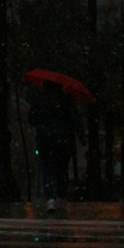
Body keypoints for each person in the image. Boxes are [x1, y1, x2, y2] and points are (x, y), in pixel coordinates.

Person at [27, 81, 85, 216]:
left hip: (45, 139)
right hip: (64, 140)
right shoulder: (67, 99)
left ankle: (50, 198)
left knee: (47, 168)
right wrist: (81, 135)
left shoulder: (40, 100)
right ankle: (60, 196)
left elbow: (33, 119)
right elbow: (75, 118)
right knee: (62, 168)